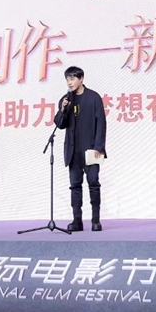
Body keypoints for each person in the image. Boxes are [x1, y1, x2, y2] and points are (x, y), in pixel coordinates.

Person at [53, 66, 107, 232]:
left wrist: (99, 147)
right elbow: (60, 124)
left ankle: (96, 220)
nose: (69, 82)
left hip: (91, 150)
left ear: (81, 79)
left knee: (93, 184)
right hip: (73, 151)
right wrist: (63, 109)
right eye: (67, 79)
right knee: (75, 186)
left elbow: (101, 123)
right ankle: (77, 221)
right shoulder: (66, 100)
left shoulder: (94, 98)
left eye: (73, 79)